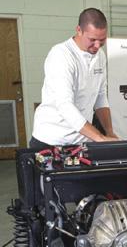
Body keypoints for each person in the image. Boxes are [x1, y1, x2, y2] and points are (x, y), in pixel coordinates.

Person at [30, 8, 119, 149]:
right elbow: (65, 105)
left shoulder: (100, 56)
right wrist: (99, 137)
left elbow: (100, 96)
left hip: (82, 140)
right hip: (51, 140)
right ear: (79, 30)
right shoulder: (61, 55)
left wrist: (109, 132)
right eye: (92, 40)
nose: (97, 46)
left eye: (102, 40)